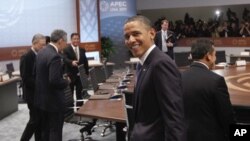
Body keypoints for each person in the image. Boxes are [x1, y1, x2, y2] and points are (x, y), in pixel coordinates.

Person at [123, 15, 186, 141]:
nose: (130, 40)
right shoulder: (143, 63)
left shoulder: (161, 64)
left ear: (152, 33)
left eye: (136, 34)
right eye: (127, 36)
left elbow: (174, 119)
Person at [181, 39, 235, 141]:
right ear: (208, 56)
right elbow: (226, 116)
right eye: (214, 55)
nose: (215, 59)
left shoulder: (179, 77)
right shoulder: (216, 81)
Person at [35, 29, 70, 141]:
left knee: (46, 130)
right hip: (54, 102)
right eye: (66, 41)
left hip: (42, 100)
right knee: (55, 130)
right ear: (60, 41)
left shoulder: (41, 52)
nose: (66, 44)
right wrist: (67, 81)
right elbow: (54, 80)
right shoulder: (55, 56)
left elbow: (36, 74)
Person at [20, 33, 46, 141]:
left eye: (44, 45)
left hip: (39, 95)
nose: (43, 47)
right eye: (41, 45)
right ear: (34, 43)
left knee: (39, 121)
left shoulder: (39, 54)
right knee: (34, 120)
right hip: (32, 95)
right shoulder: (26, 56)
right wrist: (42, 85)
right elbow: (26, 78)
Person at [63, 33, 89, 107]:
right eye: (74, 39)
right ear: (71, 40)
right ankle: (70, 112)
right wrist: (71, 62)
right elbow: (65, 59)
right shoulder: (66, 49)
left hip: (80, 76)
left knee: (80, 94)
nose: (76, 40)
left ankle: (80, 110)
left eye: (77, 39)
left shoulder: (82, 50)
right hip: (70, 76)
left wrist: (87, 73)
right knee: (70, 95)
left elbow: (85, 62)